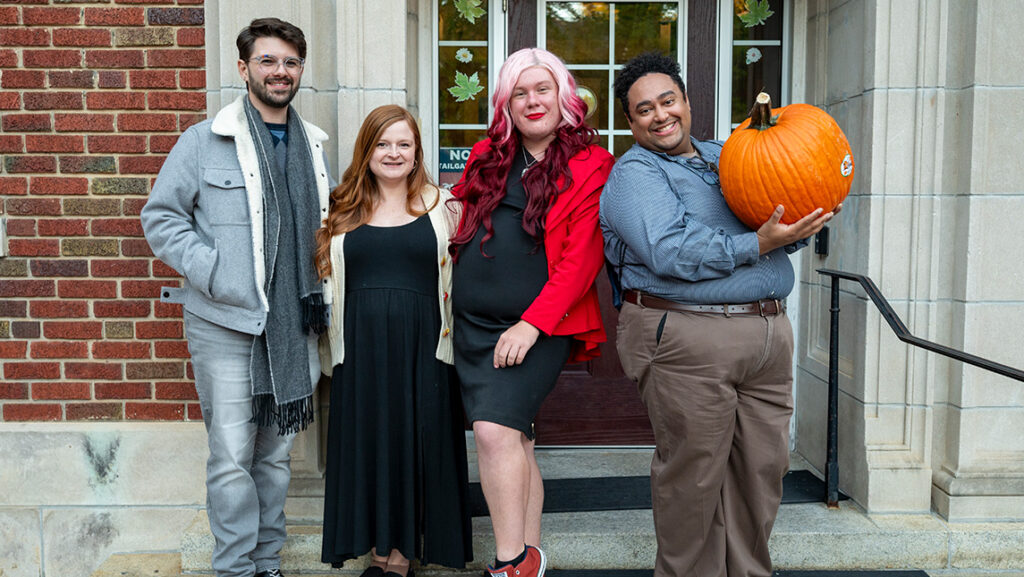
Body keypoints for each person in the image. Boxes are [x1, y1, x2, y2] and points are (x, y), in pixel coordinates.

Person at [599, 52, 837, 577]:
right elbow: (669, 250)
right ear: (630, 121)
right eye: (644, 110)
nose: (660, 115)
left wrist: (797, 229)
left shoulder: (727, 156)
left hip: (768, 337)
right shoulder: (635, 173)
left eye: (668, 101)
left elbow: (768, 242)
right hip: (687, 338)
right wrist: (755, 243)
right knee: (694, 479)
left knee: (762, 473)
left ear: (687, 101)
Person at [141, 18, 333, 577]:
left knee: (274, 458)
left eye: (291, 62)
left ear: (300, 70)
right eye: (269, 61)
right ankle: (234, 568)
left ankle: (267, 562)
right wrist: (215, 271)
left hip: (292, 326)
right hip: (223, 323)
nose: (281, 72)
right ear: (245, 67)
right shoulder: (204, 140)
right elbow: (162, 217)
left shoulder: (313, 146)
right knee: (231, 457)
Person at [449, 47, 614, 577]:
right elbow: (452, 214)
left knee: (494, 432)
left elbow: (581, 260)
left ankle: (509, 564)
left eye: (541, 88)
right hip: (472, 324)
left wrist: (530, 323)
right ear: (506, 104)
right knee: (515, 436)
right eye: (519, 92)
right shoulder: (487, 155)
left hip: (540, 325)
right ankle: (532, 556)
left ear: (563, 96)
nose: (531, 100)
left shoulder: (592, 164)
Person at [316, 105, 472, 576]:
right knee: (368, 445)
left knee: (414, 445)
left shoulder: (444, 206)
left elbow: (467, 279)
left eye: (404, 144)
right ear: (366, 151)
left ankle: (401, 557)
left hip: (423, 348)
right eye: (383, 143)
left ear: (417, 151)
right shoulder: (339, 208)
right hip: (358, 351)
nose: (393, 152)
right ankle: (375, 551)